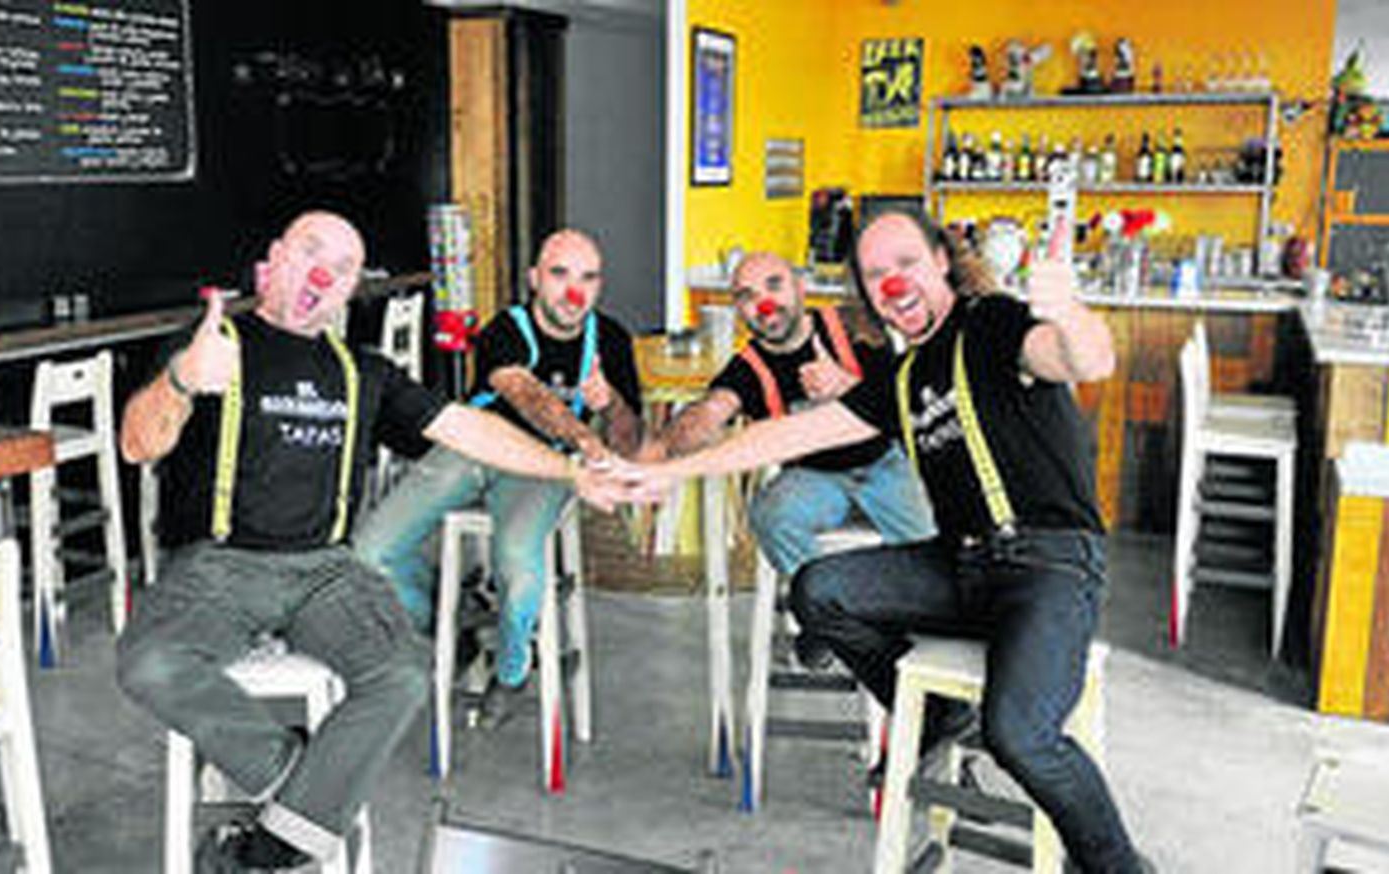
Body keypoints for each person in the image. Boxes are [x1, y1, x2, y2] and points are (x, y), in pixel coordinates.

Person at [115, 211, 636, 871]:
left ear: (350, 291)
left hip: (326, 573)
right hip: (217, 567)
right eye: (311, 253)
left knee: (403, 672)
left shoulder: (366, 371)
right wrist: (184, 381)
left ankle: (282, 834)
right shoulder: (214, 343)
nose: (324, 274)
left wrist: (570, 469)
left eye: (344, 269)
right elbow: (138, 444)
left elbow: (465, 429)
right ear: (273, 261)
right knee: (149, 662)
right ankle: (303, 805)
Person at [639, 210, 1149, 872]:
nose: (891, 283)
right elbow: (786, 436)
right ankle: (938, 714)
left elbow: (1084, 358)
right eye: (875, 274)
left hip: (1049, 564)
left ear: (941, 260)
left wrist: (1071, 313)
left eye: (905, 263)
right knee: (818, 591)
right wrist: (666, 470)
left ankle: (1121, 868)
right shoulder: (900, 377)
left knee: (1019, 733)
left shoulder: (989, 322)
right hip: (960, 564)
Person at [353, 228, 643, 728]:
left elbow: (630, 440)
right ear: (534, 279)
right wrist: (584, 437)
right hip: (473, 449)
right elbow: (524, 393)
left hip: (543, 468)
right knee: (370, 554)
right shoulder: (504, 329)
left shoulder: (611, 339)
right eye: (559, 274)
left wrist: (611, 403)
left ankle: (511, 672)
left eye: (587, 277)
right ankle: (447, 618)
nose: (573, 290)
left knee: (521, 571)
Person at [641, 251, 933, 591]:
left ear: (799, 288)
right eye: (747, 296)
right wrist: (664, 447)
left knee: (934, 543)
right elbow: (710, 411)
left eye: (774, 286)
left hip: (887, 463)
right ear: (738, 308)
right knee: (773, 516)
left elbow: (906, 407)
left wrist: (847, 387)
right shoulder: (747, 368)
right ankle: (829, 610)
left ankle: (919, 611)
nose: (764, 303)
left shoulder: (855, 327)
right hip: (813, 479)